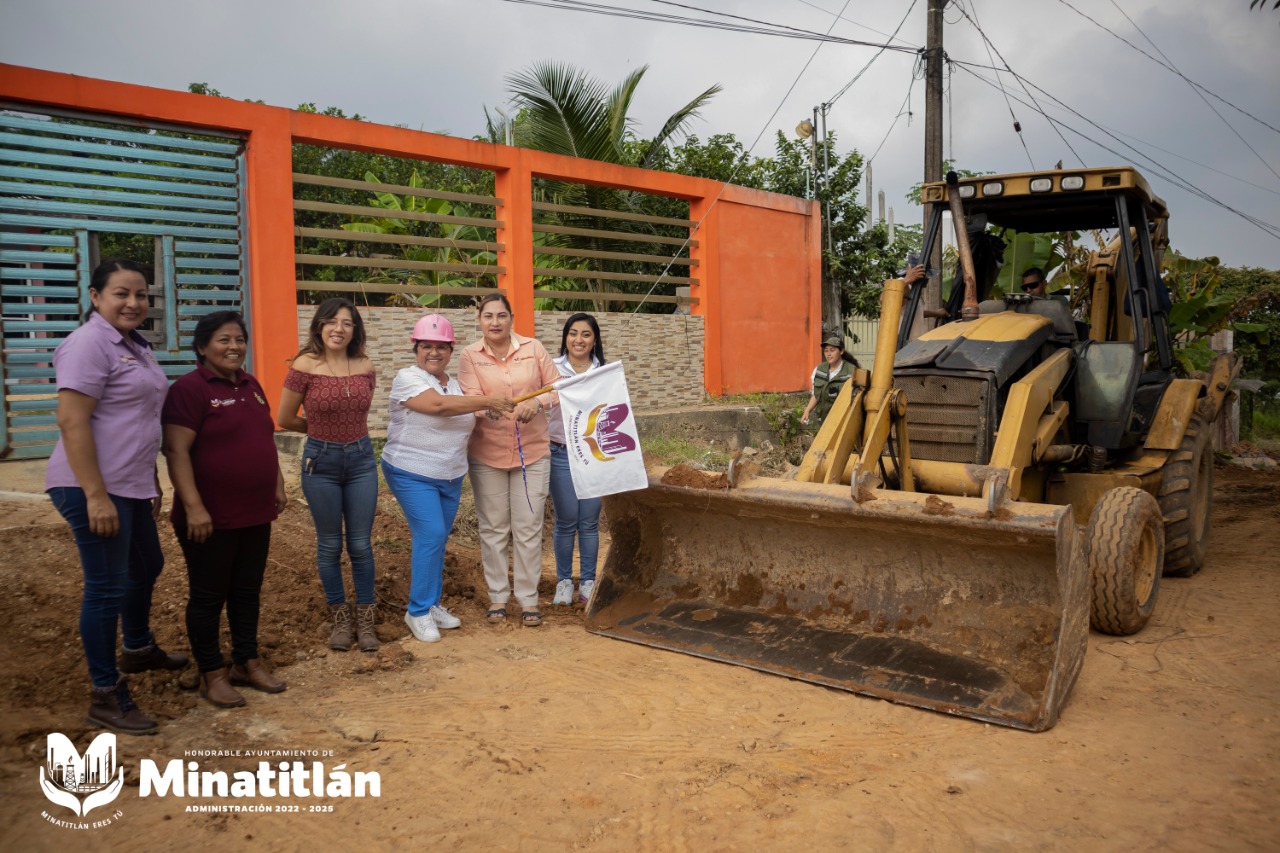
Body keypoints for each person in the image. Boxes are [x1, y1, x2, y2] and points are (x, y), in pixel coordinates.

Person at [45, 258, 188, 735]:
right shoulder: (87, 344)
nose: (133, 303)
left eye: (141, 295)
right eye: (121, 293)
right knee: (106, 589)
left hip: (129, 485)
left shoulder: (135, 347)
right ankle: (104, 694)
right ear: (95, 296)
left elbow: (138, 421)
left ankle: (137, 647)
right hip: (90, 486)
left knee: (147, 566)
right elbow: (72, 421)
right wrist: (95, 495)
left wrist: (148, 482)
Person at [162, 311, 288, 708]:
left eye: (239, 339)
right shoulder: (189, 389)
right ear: (202, 347)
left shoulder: (251, 384)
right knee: (208, 596)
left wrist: (278, 483)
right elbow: (175, 450)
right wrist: (194, 507)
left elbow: (264, 439)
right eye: (222, 340)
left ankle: (245, 662)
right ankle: (211, 672)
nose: (234, 346)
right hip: (210, 519)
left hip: (255, 511)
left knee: (247, 592)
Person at [380, 314, 514, 643]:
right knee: (431, 535)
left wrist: (489, 410)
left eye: (441, 347)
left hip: (450, 476)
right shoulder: (407, 378)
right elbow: (439, 407)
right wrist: (487, 399)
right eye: (426, 346)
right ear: (416, 348)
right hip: (411, 472)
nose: (434, 353)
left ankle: (432, 603)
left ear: (451, 350)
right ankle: (417, 611)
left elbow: (460, 405)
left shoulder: (453, 384)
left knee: (438, 540)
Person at [277, 298, 380, 653]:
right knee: (330, 544)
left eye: (347, 323)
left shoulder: (365, 364)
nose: (339, 328)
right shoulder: (305, 364)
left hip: (363, 460)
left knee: (361, 545)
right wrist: (321, 430)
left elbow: (360, 409)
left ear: (356, 330)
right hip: (320, 462)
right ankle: (340, 619)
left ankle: (366, 621)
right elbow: (286, 418)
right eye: (332, 321)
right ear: (320, 325)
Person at [458, 293, 562, 628]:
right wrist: (488, 405)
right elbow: (470, 399)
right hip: (486, 454)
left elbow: (558, 387)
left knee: (528, 527)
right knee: (494, 528)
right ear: (479, 320)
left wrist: (541, 403)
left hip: (532, 453)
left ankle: (529, 600)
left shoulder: (533, 348)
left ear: (512, 318)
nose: (495, 322)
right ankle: (498, 598)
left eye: (501, 315)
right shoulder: (469, 356)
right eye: (488, 316)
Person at [547, 313, 605, 607]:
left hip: (594, 455)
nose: (578, 340)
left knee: (589, 521)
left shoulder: (604, 372)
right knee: (566, 520)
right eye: (573, 333)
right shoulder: (552, 369)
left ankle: (589, 582)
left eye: (585, 334)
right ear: (565, 337)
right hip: (560, 453)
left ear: (595, 340)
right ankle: (564, 582)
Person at [801, 336, 860, 427]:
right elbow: (816, 394)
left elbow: (856, 399)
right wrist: (807, 410)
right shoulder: (819, 369)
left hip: (843, 420)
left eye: (832, 350)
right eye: (826, 350)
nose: (828, 354)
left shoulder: (852, 371)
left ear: (841, 351)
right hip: (823, 419)